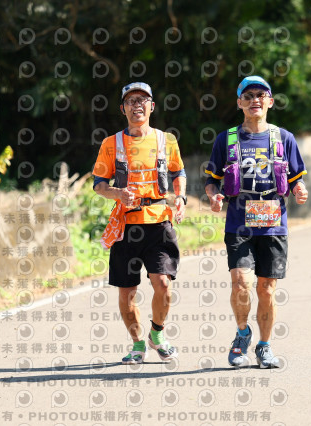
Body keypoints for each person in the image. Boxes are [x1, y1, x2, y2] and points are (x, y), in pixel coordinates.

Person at [204, 76, 308, 368]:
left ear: (270, 102)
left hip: (273, 223)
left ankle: (264, 346)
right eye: (248, 96)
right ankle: (241, 335)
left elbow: (296, 178)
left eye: (261, 95)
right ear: (239, 103)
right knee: (241, 283)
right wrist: (213, 196)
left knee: (266, 289)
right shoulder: (226, 139)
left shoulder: (284, 138)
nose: (255, 100)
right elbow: (211, 181)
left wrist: (300, 189)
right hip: (239, 222)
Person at [92, 82, 187, 364]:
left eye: (143, 100)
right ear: (123, 109)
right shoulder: (111, 144)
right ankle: (137, 344)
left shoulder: (166, 140)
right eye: (131, 101)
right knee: (127, 292)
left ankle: (157, 334)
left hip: (159, 223)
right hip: (126, 226)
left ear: (152, 106)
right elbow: (99, 184)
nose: (137, 105)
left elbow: (178, 172)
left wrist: (180, 197)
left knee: (163, 284)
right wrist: (117, 193)